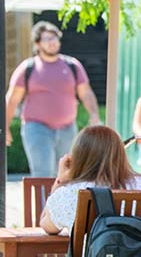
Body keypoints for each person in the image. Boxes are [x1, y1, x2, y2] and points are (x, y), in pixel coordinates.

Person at [5, 21, 101, 177]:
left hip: (67, 129)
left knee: (67, 174)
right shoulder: (28, 68)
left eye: (55, 38)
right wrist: (5, 127)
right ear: (37, 44)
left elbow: (86, 93)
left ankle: (62, 202)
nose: (52, 42)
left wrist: (94, 115)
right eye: (47, 39)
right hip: (37, 128)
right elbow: (12, 99)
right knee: (43, 173)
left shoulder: (72, 65)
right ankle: (43, 203)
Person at [40, 126, 141, 235]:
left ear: (79, 158)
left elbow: (46, 225)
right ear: (120, 154)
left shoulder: (69, 194)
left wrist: (60, 180)